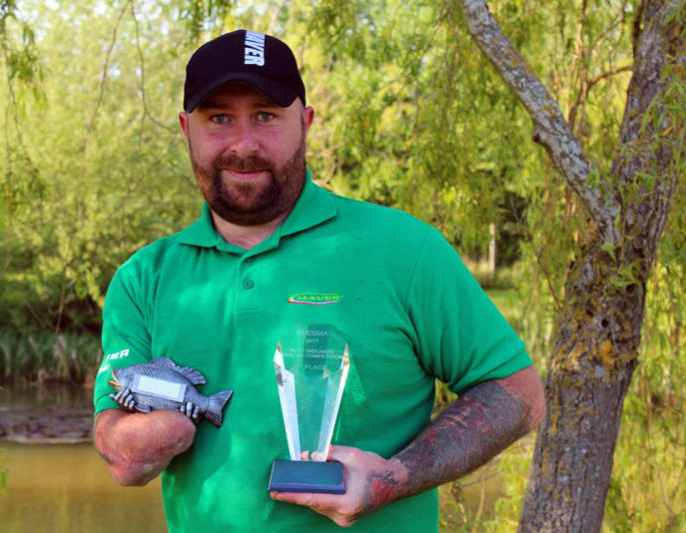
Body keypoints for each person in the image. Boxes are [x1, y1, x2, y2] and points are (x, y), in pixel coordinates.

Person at [93, 29, 545, 532]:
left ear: (305, 122)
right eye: (219, 117)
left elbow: (518, 394)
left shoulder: (404, 250)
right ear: (185, 128)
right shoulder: (144, 278)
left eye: (266, 115)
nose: (244, 143)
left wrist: (395, 476)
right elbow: (116, 441)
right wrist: (145, 439)